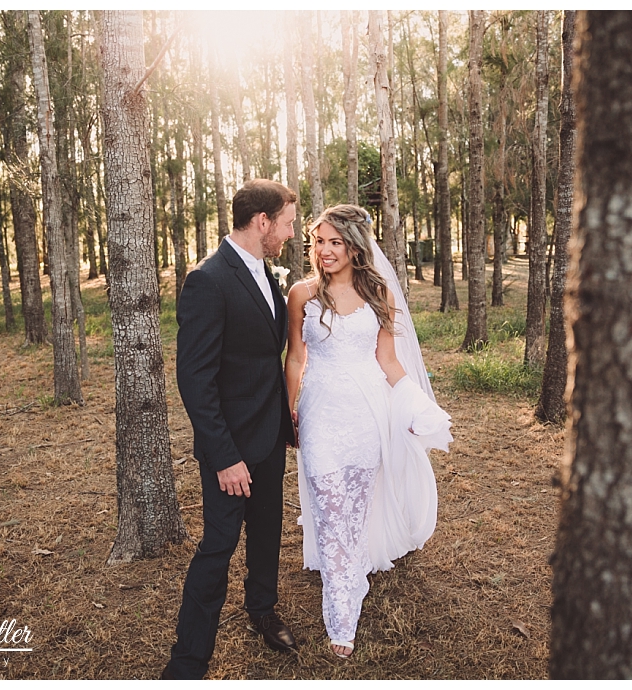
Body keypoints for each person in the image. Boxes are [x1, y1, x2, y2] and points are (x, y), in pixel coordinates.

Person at [284, 204, 452, 660]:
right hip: (320, 414)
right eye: (319, 241)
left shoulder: (379, 293)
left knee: (353, 514)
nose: (325, 251)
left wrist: (416, 404)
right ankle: (342, 612)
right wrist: (288, 409)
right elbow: (296, 357)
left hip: (365, 415)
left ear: (355, 247)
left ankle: (349, 578)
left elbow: (389, 361)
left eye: (335, 242)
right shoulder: (301, 294)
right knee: (329, 509)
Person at [164, 179, 299, 680]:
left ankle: (262, 610)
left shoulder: (266, 272)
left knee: (266, 532)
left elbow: (266, 355)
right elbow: (195, 379)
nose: (290, 234)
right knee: (218, 547)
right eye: (287, 224)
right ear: (262, 222)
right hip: (231, 448)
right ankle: (188, 659)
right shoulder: (208, 280)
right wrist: (224, 457)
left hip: (270, 434)